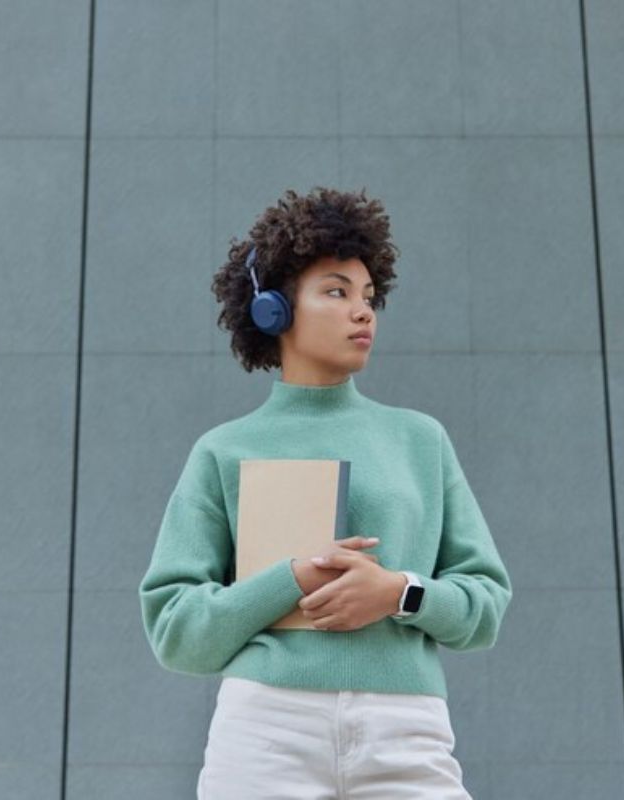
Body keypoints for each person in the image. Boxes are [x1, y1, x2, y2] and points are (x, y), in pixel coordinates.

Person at [138, 186, 513, 799]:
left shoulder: (421, 439)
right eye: (336, 292)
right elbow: (176, 632)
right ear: (274, 312)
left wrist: (400, 592)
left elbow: (485, 606)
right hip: (265, 728)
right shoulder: (222, 451)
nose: (363, 312)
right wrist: (290, 578)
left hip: (406, 729)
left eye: (368, 297)